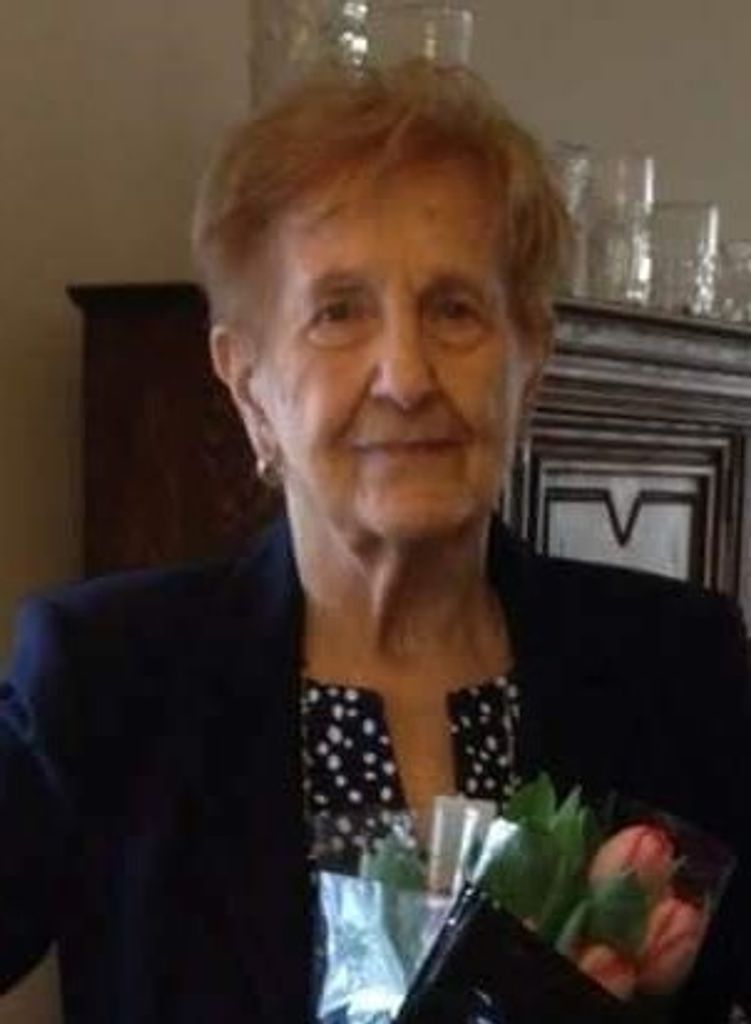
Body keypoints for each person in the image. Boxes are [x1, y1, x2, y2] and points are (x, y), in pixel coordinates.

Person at [0, 59, 748, 1024]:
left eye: (454, 309)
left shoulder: (674, 662)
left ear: (529, 359)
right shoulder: (104, 679)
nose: (405, 375)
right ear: (247, 381)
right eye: (338, 312)